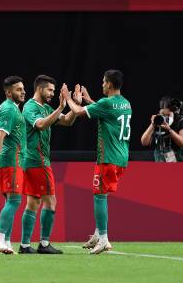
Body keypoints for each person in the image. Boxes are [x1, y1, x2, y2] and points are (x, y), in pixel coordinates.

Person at [65, 70, 132, 255]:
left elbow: (78, 112)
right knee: (102, 194)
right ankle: (97, 234)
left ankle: (103, 239)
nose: (102, 84)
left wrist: (67, 99)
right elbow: (106, 112)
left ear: (110, 84)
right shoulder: (125, 103)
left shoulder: (107, 103)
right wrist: (90, 101)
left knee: (99, 195)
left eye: (103, 82)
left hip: (107, 158)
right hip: (121, 158)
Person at [19, 75, 77, 254]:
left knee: (33, 202)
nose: (52, 93)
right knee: (50, 202)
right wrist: (61, 106)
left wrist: (73, 104)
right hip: (37, 160)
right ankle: (43, 244)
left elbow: (67, 121)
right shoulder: (30, 107)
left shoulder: (45, 108)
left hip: (35, 160)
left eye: (54, 90)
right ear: (39, 89)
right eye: (50, 90)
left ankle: (25, 245)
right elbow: (42, 125)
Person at [0, 76, 27, 254]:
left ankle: (7, 242)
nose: (23, 91)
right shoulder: (9, 109)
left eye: (23, 88)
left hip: (15, 161)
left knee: (12, 201)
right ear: (8, 92)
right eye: (18, 89)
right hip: (11, 161)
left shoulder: (13, 109)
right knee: (14, 201)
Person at [140, 97, 183, 162]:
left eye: (168, 114)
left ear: (174, 113)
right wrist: (152, 124)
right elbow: (144, 142)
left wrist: (169, 130)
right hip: (163, 162)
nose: (165, 117)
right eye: (163, 114)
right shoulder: (158, 121)